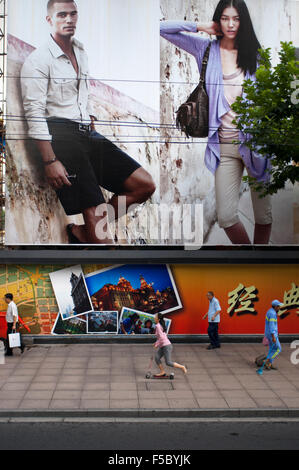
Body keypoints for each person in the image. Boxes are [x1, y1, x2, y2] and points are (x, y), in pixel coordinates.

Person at [21, 0, 155, 244]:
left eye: (73, 14)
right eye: (62, 14)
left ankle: (84, 232)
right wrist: (50, 160)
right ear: (49, 20)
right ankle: (94, 236)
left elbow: (84, 95)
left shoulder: (80, 52)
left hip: (87, 135)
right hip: (61, 136)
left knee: (144, 185)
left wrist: (91, 122)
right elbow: (34, 112)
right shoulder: (38, 61)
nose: (69, 19)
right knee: (100, 229)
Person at [160, 0, 272, 245]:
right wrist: (201, 26)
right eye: (225, 18)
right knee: (227, 217)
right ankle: (251, 261)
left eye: (236, 18)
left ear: (243, 21)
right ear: (218, 20)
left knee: (263, 216)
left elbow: (269, 99)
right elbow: (163, 29)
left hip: (257, 147)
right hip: (225, 147)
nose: (231, 24)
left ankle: (260, 265)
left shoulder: (256, 56)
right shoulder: (206, 50)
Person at [256, 299, 283, 375]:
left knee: (272, 349)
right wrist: (273, 336)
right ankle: (268, 361)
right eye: (278, 306)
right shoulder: (272, 314)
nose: (279, 307)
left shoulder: (270, 311)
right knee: (278, 349)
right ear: (275, 306)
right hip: (272, 335)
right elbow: (271, 326)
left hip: (269, 334)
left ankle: (269, 364)